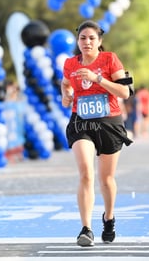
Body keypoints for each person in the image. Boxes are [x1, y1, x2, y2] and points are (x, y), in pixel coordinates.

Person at [61, 20, 133, 247]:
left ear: (99, 41)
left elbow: (125, 92)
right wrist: (66, 95)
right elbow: (65, 84)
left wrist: (98, 79)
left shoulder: (109, 59)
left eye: (92, 38)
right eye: (83, 38)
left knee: (106, 179)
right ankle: (86, 229)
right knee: (86, 174)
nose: (87, 42)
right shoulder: (70, 63)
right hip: (81, 122)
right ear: (77, 41)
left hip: (108, 123)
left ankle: (109, 218)